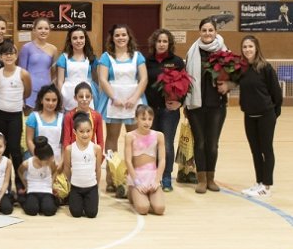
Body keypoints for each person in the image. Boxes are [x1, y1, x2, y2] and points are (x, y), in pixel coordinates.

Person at [97, 24, 147, 192]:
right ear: (112, 38)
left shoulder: (137, 56)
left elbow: (144, 79)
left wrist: (134, 98)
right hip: (114, 102)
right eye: (117, 35)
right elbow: (103, 79)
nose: (120, 38)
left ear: (128, 36)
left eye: (123, 35)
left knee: (134, 139)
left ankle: (134, 176)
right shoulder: (106, 57)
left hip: (134, 101)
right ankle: (112, 177)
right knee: (112, 139)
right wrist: (114, 97)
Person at [184, 18, 231, 194]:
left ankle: (211, 178)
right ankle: (201, 179)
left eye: (210, 30)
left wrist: (228, 85)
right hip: (195, 106)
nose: (207, 33)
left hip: (217, 105)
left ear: (216, 32)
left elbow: (235, 78)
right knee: (200, 143)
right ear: (199, 32)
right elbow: (186, 79)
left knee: (212, 144)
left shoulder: (225, 52)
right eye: (204, 30)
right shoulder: (192, 51)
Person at [240, 35, 283, 198]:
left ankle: (267, 185)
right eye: (245, 47)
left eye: (250, 46)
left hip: (266, 116)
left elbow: (276, 93)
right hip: (249, 116)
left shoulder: (266, 68)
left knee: (266, 149)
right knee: (255, 151)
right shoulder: (242, 69)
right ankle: (259, 182)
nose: (247, 49)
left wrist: (273, 113)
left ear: (256, 48)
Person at [144, 29, 185, 192]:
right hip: (150, 111)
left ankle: (166, 177)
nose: (161, 44)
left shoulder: (177, 61)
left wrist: (180, 103)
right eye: (159, 41)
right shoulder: (147, 61)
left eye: (165, 41)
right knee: (151, 145)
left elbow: (185, 84)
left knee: (167, 145)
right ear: (154, 43)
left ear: (169, 43)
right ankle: (153, 176)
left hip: (169, 111)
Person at [0, 42, 31, 194]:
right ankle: (5, 185)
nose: (9, 56)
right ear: (0, 57)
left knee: (15, 149)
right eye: (5, 54)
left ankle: (20, 184)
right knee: (3, 149)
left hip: (15, 115)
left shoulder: (23, 74)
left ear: (16, 56)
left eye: (11, 53)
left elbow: (27, 92)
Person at [125, 105, 166, 216]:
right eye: (143, 119)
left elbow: (162, 160)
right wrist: (137, 182)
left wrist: (157, 180)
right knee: (143, 209)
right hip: (137, 177)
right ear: (136, 119)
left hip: (152, 176)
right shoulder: (130, 136)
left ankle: (148, 197)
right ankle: (132, 192)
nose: (147, 122)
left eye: (150, 119)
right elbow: (128, 161)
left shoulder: (159, 135)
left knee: (160, 209)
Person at [63, 112, 103, 219]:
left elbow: (98, 169)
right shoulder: (69, 149)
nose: (85, 134)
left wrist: (96, 185)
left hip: (91, 187)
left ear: (92, 130)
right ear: (74, 132)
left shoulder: (96, 148)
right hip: (76, 187)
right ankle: (79, 201)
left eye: (88, 131)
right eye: (81, 131)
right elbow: (67, 168)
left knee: (92, 214)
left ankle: (89, 201)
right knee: (76, 213)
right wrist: (71, 182)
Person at [56, 26, 98, 111]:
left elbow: (96, 79)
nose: (78, 41)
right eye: (75, 38)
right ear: (70, 41)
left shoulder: (91, 57)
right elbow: (60, 81)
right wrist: (61, 98)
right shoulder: (63, 57)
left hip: (87, 92)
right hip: (68, 93)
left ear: (85, 39)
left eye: (81, 37)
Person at [19, 18, 58, 111]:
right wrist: (22, 95)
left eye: (46, 28)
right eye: (40, 28)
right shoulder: (26, 47)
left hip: (46, 90)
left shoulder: (53, 49)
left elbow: (55, 72)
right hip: (29, 91)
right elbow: (21, 72)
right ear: (34, 30)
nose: (43, 31)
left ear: (49, 31)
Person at [19, 136, 58, 217]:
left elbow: (54, 171)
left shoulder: (51, 162)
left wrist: (51, 184)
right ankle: (33, 203)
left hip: (46, 190)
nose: (49, 162)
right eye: (47, 161)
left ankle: (44, 204)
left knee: (49, 211)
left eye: (50, 159)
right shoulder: (27, 163)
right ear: (37, 158)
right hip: (32, 190)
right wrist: (26, 185)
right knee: (31, 210)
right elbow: (20, 172)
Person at [26, 84, 65, 165]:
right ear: (41, 100)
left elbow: (64, 142)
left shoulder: (62, 118)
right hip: (37, 160)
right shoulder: (33, 117)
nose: (51, 103)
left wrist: (62, 161)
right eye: (47, 99)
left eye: (54, 100)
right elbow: (29, 140)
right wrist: (38, 158)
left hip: (57, 160)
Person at [61, 82, 104, 148]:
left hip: (91, 151)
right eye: (81, 97)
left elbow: (100, 140)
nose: (84, 99)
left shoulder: (97, 116)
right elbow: (66, 140)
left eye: (87, 97)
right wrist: (68, 152)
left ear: (91, 97)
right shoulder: (69, 116)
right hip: (74, 151)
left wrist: (99, 153)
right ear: (75, 98)